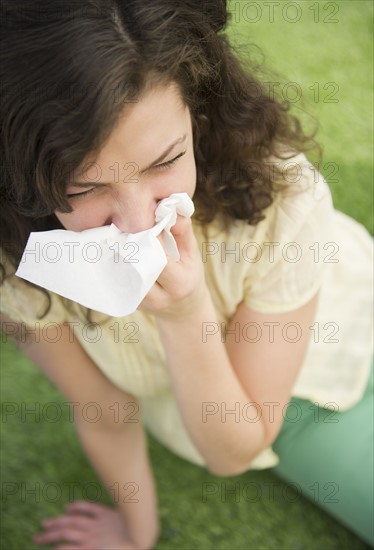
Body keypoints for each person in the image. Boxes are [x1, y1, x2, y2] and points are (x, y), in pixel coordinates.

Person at [1, 1, 372, 548]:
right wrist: (137, 532)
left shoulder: (287, 196)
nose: (136, 223)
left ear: (197, 115)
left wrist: (185, 309)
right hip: (300, 414)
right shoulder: (19, 268)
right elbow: (137, 420)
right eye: (83, 189)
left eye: (164, 161)